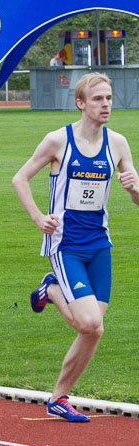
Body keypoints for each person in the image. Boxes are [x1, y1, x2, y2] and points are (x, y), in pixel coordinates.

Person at [12, 72, 139, 422]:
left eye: (109, 98)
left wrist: (132, 188)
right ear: (81, 103)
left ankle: (59, 397)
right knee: (90, 323)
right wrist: (39, 218)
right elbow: (20, 178)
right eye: (98, 99)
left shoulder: (118, 144)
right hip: (65, 244)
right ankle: (52, 288)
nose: (106, 105)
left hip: (100, 244)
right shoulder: (58, 141)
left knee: (93, 328)